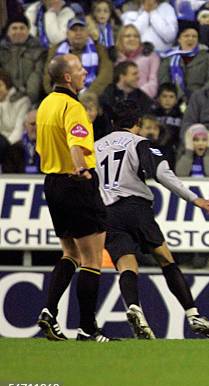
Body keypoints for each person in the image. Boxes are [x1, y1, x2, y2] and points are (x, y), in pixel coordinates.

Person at [95, 100, 209, 339]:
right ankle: (193, 314)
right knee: (165, 259)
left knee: (126, 265)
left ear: (112, 124)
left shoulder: (95, 146)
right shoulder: (141, 143)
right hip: (135, 207)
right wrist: (194, 199)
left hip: (107, 211)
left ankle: (133, 307)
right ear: (137, 124)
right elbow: (162, 174)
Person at [36, 54, 111, 342]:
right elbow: (76, 142)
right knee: (92, 259)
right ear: (67, 77)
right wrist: (81, 168)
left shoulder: (45, 105)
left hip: (52, 183)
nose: (84, 72)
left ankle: (48, 309)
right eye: (79, 68)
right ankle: (87, 329)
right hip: (76, 181)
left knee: (70, 253)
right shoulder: (73, 106)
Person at [43, 17, 113, 96]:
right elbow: (48, 76)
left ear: (87, 33)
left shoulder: (99, 49)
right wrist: (56, 94)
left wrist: (88, 93)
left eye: (81, 30)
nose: (78, 33)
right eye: (74, 30)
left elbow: (105, 75)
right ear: (67, 34)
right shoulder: (55, 50)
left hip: (92, 97)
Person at [159, 19, 209, 102]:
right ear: (179, 39)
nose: (191, 39)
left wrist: (197, 96)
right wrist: (180, 97)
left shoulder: (208, 58)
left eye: (194, 36)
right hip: (174, 100)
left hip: (201, 100)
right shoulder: (169, 58)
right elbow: (164, 81)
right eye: (186, 36)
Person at [0, 16, 46, 104]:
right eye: (14, 28)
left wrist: (27, 97)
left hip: (30, 100)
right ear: (8, 32)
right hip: (4, 98)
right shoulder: (1, 51)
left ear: (28, 31)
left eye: (22, 28)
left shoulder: (39, 51)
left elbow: (36, 77)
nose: (18, 31)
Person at [114, 24, 160, 99]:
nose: (132, 39)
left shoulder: (151, 56)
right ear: (120, 39)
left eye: (136, 36)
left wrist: (136, 97)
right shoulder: (115, 58)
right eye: (128, 36)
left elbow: (153, 82)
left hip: (143, 101)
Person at [0, 70, 32, 154]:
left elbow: (19, 131)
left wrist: (3, 147)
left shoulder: (23, 101)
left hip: (15, 147)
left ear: (7, 85)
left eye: (0, 85)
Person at [2, 108, 40, 173]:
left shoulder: (49, 150)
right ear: (25, 126)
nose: (36, 128)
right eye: (33, 124)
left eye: (39, 124)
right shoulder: (13, 150)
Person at [152, 83, 183, 154]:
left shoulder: (181, 116)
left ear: (176, 100)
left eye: (171, 97)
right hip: (155, 149)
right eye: (164, 96)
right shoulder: (152, 115)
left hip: (174, 151)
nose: (167, 100)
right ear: (159, 98)